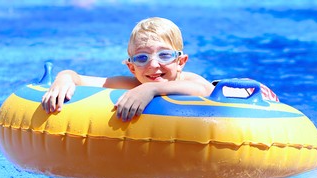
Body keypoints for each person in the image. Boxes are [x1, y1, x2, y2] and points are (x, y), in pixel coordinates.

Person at [41, 17, 215, 122]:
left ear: (181, 62)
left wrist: (151, 88)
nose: (153, 65)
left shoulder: (188, 81)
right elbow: (80, 79)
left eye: (164, 55)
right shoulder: (130, 84)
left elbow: (206, 90)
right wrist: (64, 77)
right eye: (142, 58)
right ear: (132, 68)